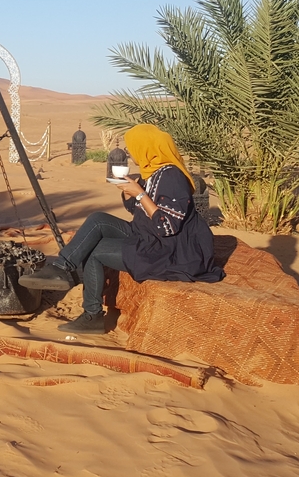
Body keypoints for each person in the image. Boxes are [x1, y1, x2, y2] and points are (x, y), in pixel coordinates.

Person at [27, 123, 224, 333]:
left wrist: (139, 193)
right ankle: (60, 268)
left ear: (147, 148)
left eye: (133, 147)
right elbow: (138, 210)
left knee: (94, 252)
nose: (130, 152)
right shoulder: (153, 172)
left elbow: (167, 226)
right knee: (97, 220)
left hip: (169, 250)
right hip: (147, 233)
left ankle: (91, 315)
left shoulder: (172, 177)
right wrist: (128, 192)